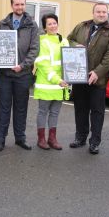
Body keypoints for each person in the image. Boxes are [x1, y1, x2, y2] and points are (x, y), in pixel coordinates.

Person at [67, 2, 109, 154]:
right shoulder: (81, 26)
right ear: (93, 13)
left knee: (97, 112)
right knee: (80, 109)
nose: (101, 14)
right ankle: (80, 137)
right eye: (99, 11)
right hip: (79, 75)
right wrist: (74, 45)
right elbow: (68, 40)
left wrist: (97, 72)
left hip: (98, 79)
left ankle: (95, 142)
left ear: (107, 14)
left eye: (104, 12)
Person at [0, 0, 39, 152]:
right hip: (4, 75)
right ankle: (0, 140)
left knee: (21, 108)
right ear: (12, 6)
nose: (20, 7)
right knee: (4, 108)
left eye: (22, 4)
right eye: (17, 4)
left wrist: (23, 65)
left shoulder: (32, 25)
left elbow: (34, 49)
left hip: (23, 74)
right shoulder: (3, 23)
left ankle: (20, 138)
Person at [33, 13, 69, 151]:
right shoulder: (42, 41)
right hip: (47, 84)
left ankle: (52, 138)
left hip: (60, 84)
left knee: (55, 113)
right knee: (43, 112)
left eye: (55, 23)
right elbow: (44, 64)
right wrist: (57, 80)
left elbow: (69, 62)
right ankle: (41, 139)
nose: (53, 26)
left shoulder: (64, 41)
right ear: (45, 27)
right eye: (49, 24)